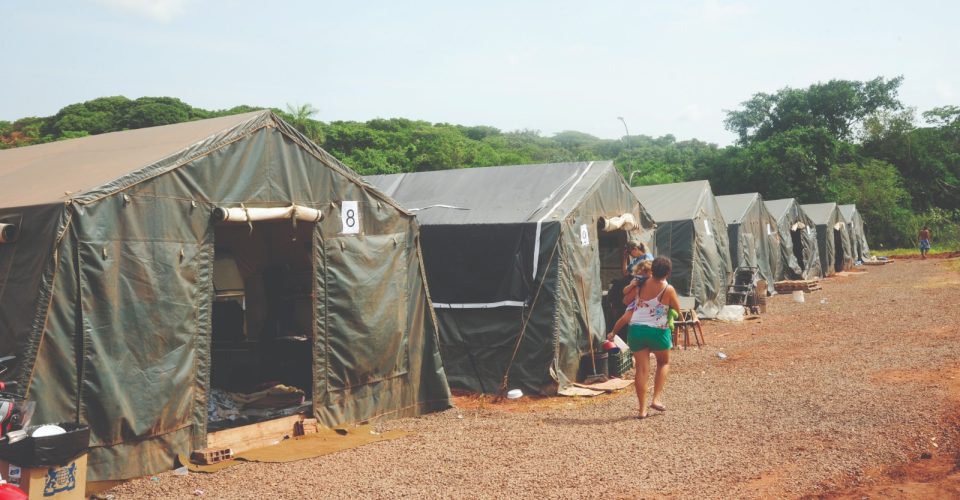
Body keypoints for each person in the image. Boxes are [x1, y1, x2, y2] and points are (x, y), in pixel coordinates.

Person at [607, 257, 680, 419]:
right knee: (663, 362)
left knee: (641, 369)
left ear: (652, 270)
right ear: (668, 272)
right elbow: (677, 308)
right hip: (658, 331)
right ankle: (656, 399)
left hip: (636, 330)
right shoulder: (668, 289)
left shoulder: (640, 283)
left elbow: (626, 299)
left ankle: (642, 410)